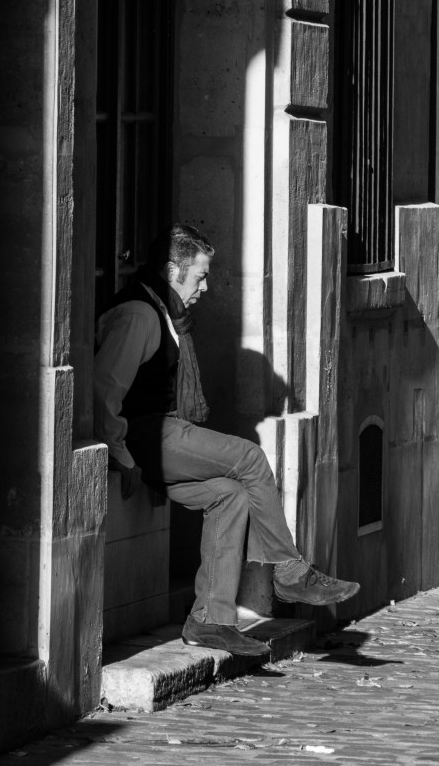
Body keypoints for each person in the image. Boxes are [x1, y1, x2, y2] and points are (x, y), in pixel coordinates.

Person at [93, 223, 359, 658]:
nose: (205, 287)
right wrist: (122, 456)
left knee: (230, 496)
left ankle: (210, 620)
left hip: (160, 433)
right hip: (146, 434)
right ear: (172, 270)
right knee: (250, 458)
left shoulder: (163, 311)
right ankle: (289, 570)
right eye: (200, 276)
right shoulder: (139, 314)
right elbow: (105, 389)